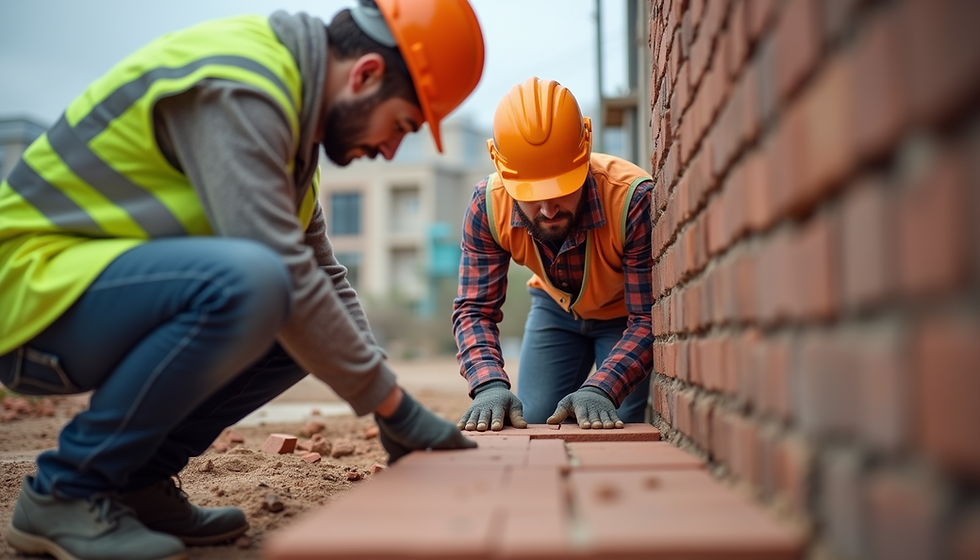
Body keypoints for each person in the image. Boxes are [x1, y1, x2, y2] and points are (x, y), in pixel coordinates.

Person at [0, 1, 484, 559]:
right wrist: (397, 408)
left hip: (92, 299)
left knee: (299, 318)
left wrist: (385, 399)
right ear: (366, 74)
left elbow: (323, 281)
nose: (389, 149)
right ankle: (67, 488)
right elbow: (275, 265)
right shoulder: (243, 86)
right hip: (32, 297)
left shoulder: (292, 144)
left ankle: (134, 481)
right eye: (400, 125)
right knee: (256, 283)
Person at [453, 77, 654, 433]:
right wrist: (488, 385)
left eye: (562, 187)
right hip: (554, 310)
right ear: (501, 168)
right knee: (535, 418)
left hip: (625, 319)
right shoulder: (488, 206)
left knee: (612, 423)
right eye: (530, 193)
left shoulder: (631, 200)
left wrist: (602, 388)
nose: (547, 210)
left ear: (585, 150)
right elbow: (473, 309)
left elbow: (648, 319)